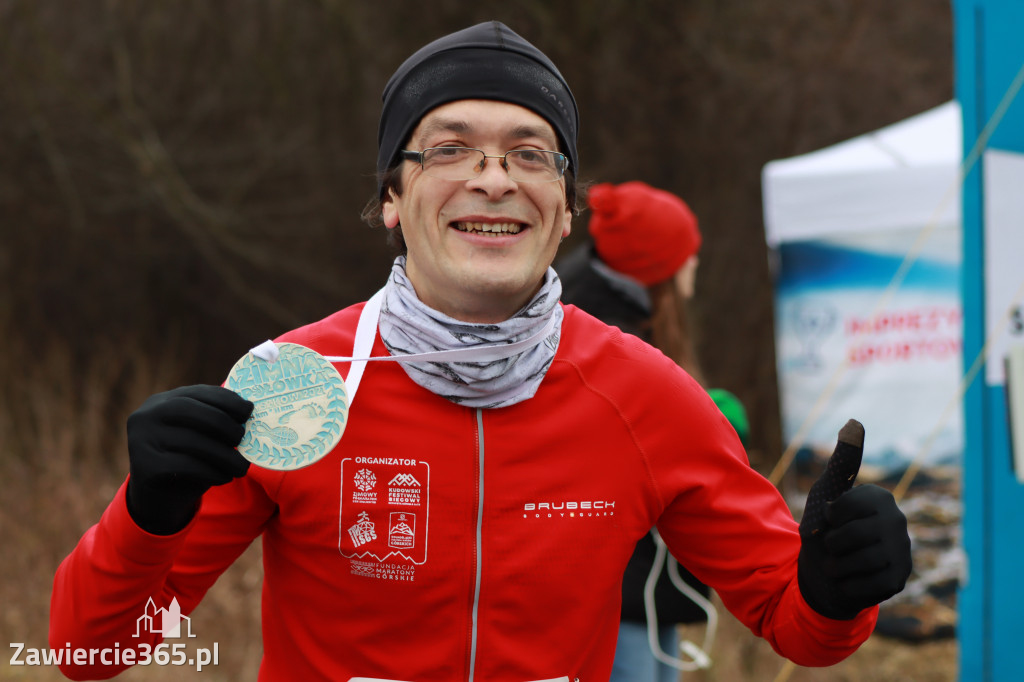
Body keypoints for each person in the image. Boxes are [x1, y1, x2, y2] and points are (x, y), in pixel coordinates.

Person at [50, 21, 912, 682]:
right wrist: (146, 516)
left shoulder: (646, 395)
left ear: (564, 212)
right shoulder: (292, 387)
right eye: (451, 148)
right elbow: (89, 653)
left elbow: (795, 623)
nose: (493, 177)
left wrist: (839, 589)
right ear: (393, 197)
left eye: (528, 154)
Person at [557, 180, 750, 681]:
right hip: (608, 583)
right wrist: (706, 423)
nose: (696, 263)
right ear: (652, 267)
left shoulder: (612, 312)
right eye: (687, 253)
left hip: (640, 579)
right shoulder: (600, 334)